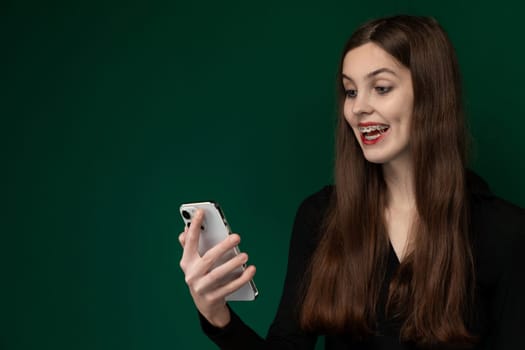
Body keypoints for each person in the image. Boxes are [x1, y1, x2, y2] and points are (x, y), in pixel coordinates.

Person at [178, 15, 525, 349]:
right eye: (350, 91)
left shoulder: (504, 231)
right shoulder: (321, 215)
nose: (358, 108)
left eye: (381, 87)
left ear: (431, 94)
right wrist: (216, 315)